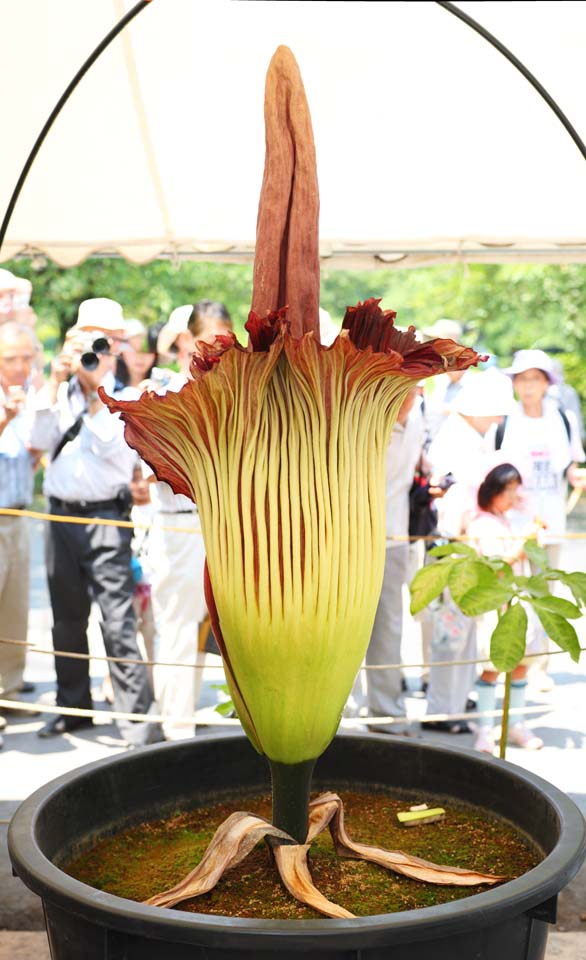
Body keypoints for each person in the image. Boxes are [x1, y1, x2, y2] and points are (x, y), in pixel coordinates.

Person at [29, 298, 161, 745]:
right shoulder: (57, 390)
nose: (99, 346)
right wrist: (57, 379)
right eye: (89, 336)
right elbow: (38, 438)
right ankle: (73, 709)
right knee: (66, 618)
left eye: (107, 338)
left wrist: (94, 388)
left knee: (118, 618)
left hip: (108, 514)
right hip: (60, 515)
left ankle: (135, 718)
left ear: (121, 344)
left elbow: (112, 447)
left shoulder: (129, 395)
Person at [144, 300, 232, 740]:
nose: (215, 351)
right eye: (207, 341)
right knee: (179, 625)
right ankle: (176, 730)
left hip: (222, 524)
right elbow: (149, 470)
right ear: (185, 341)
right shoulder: (163, 393)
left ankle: (197, 721)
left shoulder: (228, 392)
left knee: (222, 622)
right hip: (179, 524)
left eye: (224, 342)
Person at [423, 370, 514, 733]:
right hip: (454, 544)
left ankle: (455, 703)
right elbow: (453, 498)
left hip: (467, 544)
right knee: (451, 630)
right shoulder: (456, 439)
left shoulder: (472, 436)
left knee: (464, 629)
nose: (498, 418)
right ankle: (442, 709)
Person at [498, 349, 586, 688]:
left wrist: (575, 477)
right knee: (514, 591)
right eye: (522, 378)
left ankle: (540, 666)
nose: (528, 385)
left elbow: (570, 464)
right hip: (515, 524)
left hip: (553, 519)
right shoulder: (506, 418)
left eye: (535, 377)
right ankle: (513, 660)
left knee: (546, 591)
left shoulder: (562, 418)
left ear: (547, 382)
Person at [467, 463, 544, 753]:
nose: (514, 496)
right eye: (508, 490)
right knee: (493, 665)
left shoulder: (503, 519)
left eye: (515, 490)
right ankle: (485, 729)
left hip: (515, 601)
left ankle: (515, 723)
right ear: (494, 491)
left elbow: (529, 506)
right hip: (495, 602)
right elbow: (497, 566)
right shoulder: (483, 523)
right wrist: (523, 544)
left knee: (520, 663)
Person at [363, 388, 425, 734]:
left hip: (394, 537)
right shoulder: (367, 417)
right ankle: (340, 710)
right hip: (352, 538)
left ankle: (385, 712)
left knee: (388, 626)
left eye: (414, 388)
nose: (407, 397)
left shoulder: (417, 419)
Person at [0, 322, 41, 747]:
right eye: (10, 358)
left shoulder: (34, 393)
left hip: (21, 514)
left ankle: (9, 691)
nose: (18, 366)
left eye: (25, 357)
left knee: (14, 610)